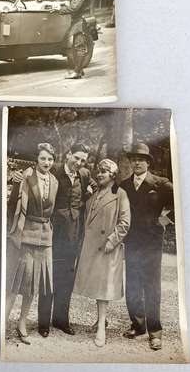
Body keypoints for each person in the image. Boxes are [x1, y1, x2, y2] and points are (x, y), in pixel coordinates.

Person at [12, 142, 96, 337]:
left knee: (66, 279)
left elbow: (93, 184)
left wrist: (91, 188)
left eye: (83, 160)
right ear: (68, 155)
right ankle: (43, 324)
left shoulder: (84, 175)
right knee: (47, 278)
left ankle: (61, 321)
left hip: (74, 235)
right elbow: (32, 175)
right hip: (53, 234)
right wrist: (17, 176)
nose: (79, 162)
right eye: (76, 158)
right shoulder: (53, 169)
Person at [120, 143, 174, 351]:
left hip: (152, 243)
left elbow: (182, 199)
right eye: (133, 159)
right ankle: (138, 325)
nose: (137, 162)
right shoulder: (124, 184)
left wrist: (166, 220)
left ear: (148, 163)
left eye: (141, 159)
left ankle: (155, 332)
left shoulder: (160, 183)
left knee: (151, 287)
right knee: (133, 284)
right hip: (131, 242)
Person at [73, 159, 131, 347]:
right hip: (91, 246)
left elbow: (125, 222)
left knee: (104, 287)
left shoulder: (120, 194)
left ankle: (101, 329)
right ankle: (100, 321)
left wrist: (112, 241)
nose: (99, 174)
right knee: (97, 285)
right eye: (98, 171)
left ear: (113, 175)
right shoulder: (95, 193)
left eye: (104, 172)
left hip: (107, 247)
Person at [5, 143, 59, 343]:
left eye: (50, 159)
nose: (47, 162)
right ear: (37, 159)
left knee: (34, 285)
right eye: (43, 158)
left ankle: (22, 323)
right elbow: (12, 206)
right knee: (15, 283)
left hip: (45, 238)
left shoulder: (54, 181)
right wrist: (12, 232)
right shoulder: (25, 177)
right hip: (24, 234)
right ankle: (2, 324)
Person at [53, 0, 91, 79]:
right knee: (76, 46)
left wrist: (59, 10)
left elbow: (74, 8)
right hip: (78, 22)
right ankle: (79, 71)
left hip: (80, 22)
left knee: (79, 46)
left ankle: (77, 72)